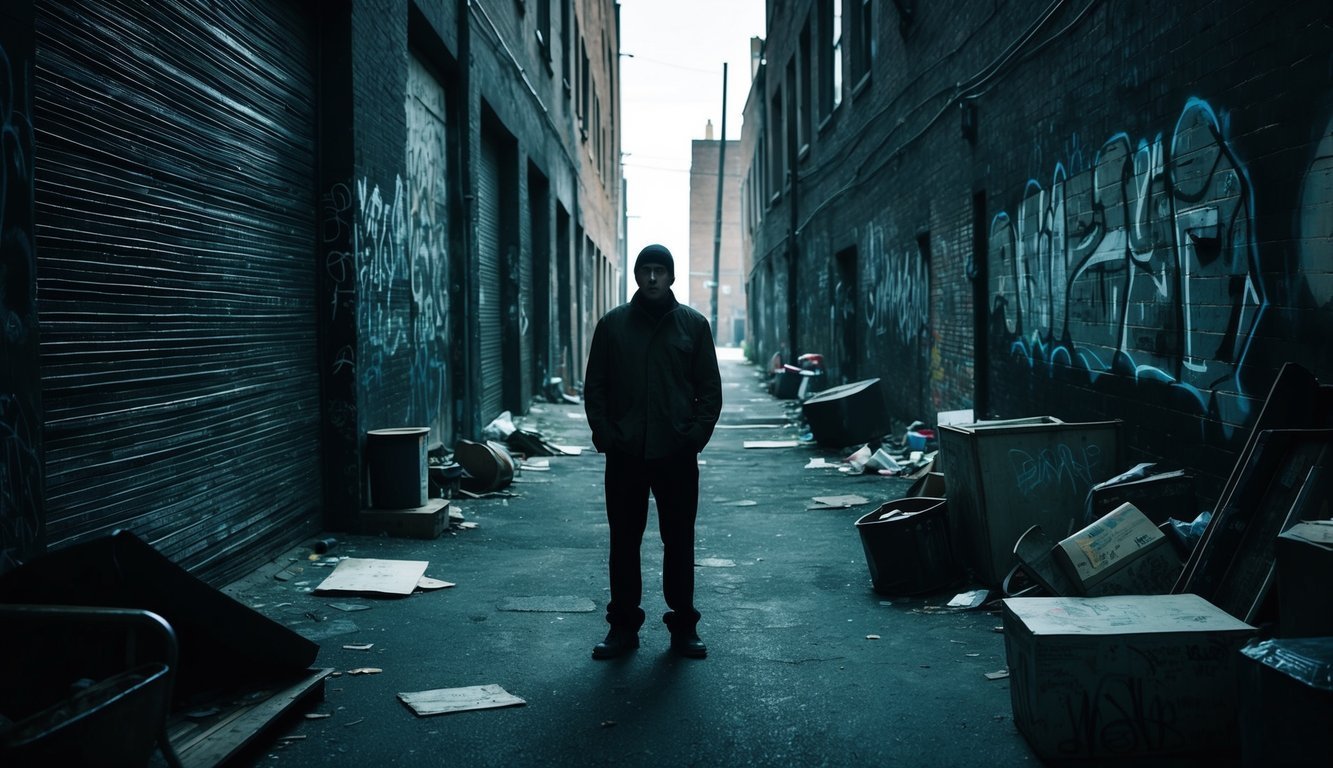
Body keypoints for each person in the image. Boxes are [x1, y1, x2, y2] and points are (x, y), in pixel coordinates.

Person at [583, 243, 723, 660]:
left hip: (676, 456)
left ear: (672, 276)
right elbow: (596, 387)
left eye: (660, 270)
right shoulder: (612, 326)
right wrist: (606, 435)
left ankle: (684, 627)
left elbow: (710, 392)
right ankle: (622, 627)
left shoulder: (693, 326)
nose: (652, 277)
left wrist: (692, 438)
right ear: (637, 275)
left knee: (679, 541)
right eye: (646, 269)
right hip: (625, 455)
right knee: (624, 542)